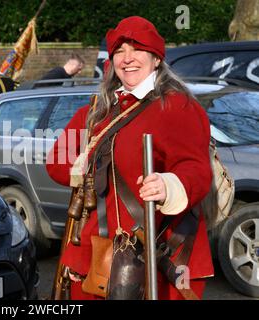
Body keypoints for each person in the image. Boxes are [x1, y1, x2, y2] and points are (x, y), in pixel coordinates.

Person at [46, 16, 214, 300]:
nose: (128, 59)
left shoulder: (176, 105)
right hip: (102, 251)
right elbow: (57, 166)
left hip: (163, 253)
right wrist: (83, 160)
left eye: (137, 49)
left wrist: (169, 185)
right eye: (120, 51)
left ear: (156, 58)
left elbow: (196, 169)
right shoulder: (99, 111)